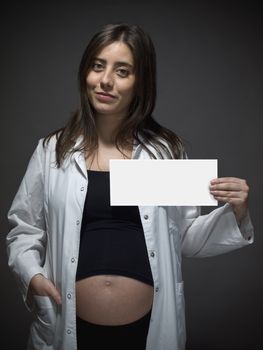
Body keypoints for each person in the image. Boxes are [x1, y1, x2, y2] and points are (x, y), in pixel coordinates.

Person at [6, 23, 254, 350]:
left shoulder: (164, 152)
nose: (106, 80)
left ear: (140, 83)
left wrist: (235, 212)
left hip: (147, 329)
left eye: (122, 71)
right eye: (98, 66)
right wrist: (33, 277)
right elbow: (24, 227)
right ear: (86, 73)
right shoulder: (53, 150)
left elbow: (184, 236)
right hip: (68, 324)